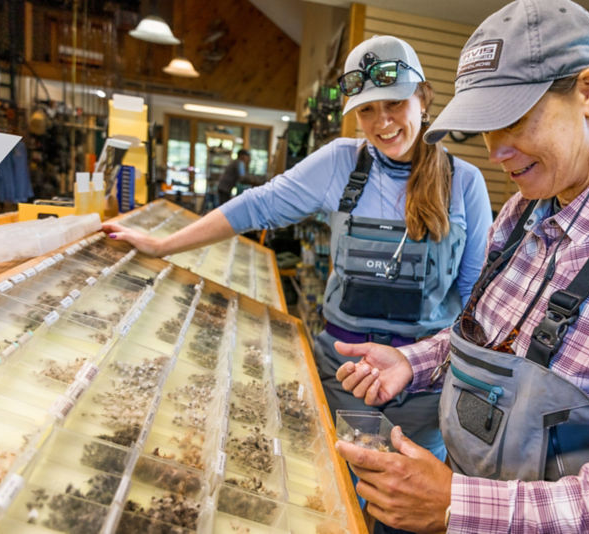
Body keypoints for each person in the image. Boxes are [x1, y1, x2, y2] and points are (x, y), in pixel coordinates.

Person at [334, 1, 589, 533]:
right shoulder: (524, 210)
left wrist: (457, 507)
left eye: (512, 119)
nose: (495, 151)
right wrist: (414, 363)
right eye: (482, 129)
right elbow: (496, 343)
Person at [102, 35, 492, 472]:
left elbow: (475, 299)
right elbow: (257, 205)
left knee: (407, 506)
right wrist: (162, 244)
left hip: (424, 388)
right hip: (345, 375)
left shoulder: (465, 182)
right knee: (346, 493)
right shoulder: (341, 163)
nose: (382, 122)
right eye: (367, 109)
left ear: (422, 98)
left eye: (395, 104)